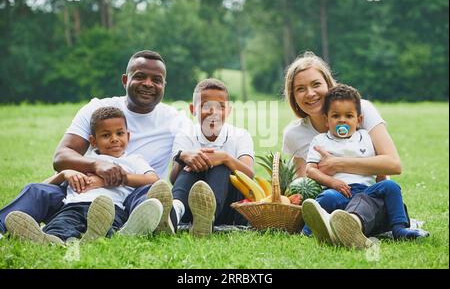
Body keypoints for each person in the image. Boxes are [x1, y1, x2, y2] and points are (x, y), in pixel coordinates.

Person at [0, 50, 192, 236]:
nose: (148, 84)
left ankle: (142, 224)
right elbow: (61, 156)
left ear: (164, 85)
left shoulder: (175, 120)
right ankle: (7, 227)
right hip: (83, 192)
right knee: (37, 190)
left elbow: (185, 160)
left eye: (156, 80)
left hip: (131, 196)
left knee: (151, 194)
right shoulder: (98, 108)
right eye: (140, 76)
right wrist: (97, 165)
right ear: (125, 80)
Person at [282, 51, 412, 248]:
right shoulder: (294, 134)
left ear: (328, 84)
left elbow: (392, 164)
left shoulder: (360, 110)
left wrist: (337, 163)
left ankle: (356, 226)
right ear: (293, 96)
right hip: (335, 196)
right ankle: (324, 229)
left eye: (316, 84)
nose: (310, 93)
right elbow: (303, 184)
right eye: (300, 88)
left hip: (370, 198)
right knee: (326, 199)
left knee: (375, 196)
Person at [5, 107, 163, 245]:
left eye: (120, 133)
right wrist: (65, 174)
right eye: (106, 135)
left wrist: (108, 181)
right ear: (93, 141)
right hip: (74, 205)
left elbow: (153, 180)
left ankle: (104, 235)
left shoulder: (133, 161)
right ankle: (49, 240)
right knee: (60, 227)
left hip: (111, 208)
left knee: (107, 227)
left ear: (128, 136)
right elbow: (42, 187)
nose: (114, 139)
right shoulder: (83, 161)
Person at [301, 85, 429, 249]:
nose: (342, 120)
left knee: (390, 186)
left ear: (358, 119)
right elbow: (310, 170)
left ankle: (400, 229)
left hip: (367, 191)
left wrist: (381, 177)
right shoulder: (320, 141)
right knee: (326, 198)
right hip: (340, 192)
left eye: (348, 115)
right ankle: (312, 229)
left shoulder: (365, 137)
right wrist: (333, 183)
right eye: (335, 116)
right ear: (326, 120)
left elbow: (379, 164)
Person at [163, 78, 254, 237]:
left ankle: (207, 216)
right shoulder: (185, 135)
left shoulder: (240, 135)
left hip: (229, 208)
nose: (214, 113)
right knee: (192, 163)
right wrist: (183, 157)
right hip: (190, 209)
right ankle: (174, 213)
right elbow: (173, 178)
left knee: (218, 163)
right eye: (206, 106)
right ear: (193, 109)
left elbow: (249, 176)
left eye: (221, 107)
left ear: (229, 110)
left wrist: (225, 158)